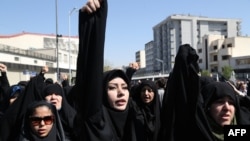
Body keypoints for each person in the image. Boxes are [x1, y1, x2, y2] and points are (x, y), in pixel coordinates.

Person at [70, 0, 161, 140]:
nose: (120, 93)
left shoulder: (138, 120)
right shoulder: (96, 123)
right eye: (112, 88)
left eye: (125, 87)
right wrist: (93, 24)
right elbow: (90, 71)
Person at [159, 44, 250, 141]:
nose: (227, 108)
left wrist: (240, 94)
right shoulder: (197, 133)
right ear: (207, 106)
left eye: (231, 103)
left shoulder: (241, 128)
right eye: (220, 102)